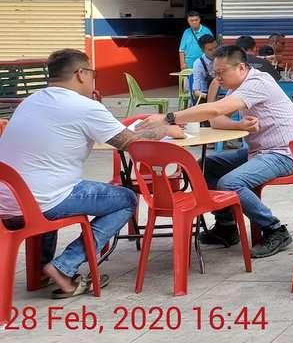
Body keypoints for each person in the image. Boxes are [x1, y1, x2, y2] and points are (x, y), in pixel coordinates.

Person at [0, 49, 184, 298]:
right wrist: (166, 130)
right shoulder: (84, 107)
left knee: (49, 189)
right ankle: (63, 268)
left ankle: (40, 272)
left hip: (7, 201)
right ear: (80, 74)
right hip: (42, 201)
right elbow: (132, 144)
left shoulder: (30, 101)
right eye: (93, 73)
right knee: (126, 199)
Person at [144, 45, 293, 258]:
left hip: (282, 154)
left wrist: (169, 118)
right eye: (215, 73)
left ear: (240, 67)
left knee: (230, 182)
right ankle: (226, 225)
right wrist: (239, 126)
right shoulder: (237, 87)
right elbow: (215, 118)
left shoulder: (258, 82)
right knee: (207, 165)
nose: (217, 78)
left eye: (221, 73)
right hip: (259, 152)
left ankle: (275, 229)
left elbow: (216, 110)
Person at [191, 34, 218, 104]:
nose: (214, 51)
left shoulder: (222, 59)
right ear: (203, 50)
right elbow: (196, 92)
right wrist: (210, 96)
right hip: (205, 95)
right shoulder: (198, 64)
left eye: (216, 48)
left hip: (220, 93)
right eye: (210, 50)